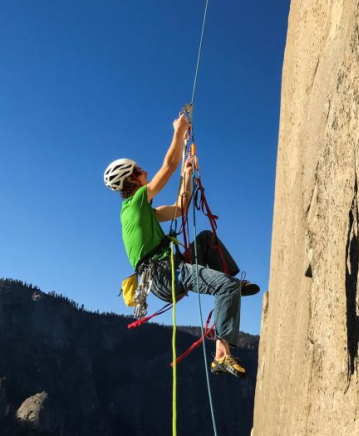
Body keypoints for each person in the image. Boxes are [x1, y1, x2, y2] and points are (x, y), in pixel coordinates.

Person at [104, 114, 259, 379]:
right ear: (132, 180)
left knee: (206, 239)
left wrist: (187, 175)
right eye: (140, 170)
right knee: (225, 286)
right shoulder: (136, 203)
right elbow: (169, 164)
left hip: (169, 269)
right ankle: (222, 355)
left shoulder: (142, 211)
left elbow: (180, 208)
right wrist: (179, 132)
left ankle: (232, 287)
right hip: (165, 274)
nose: (146, 172)